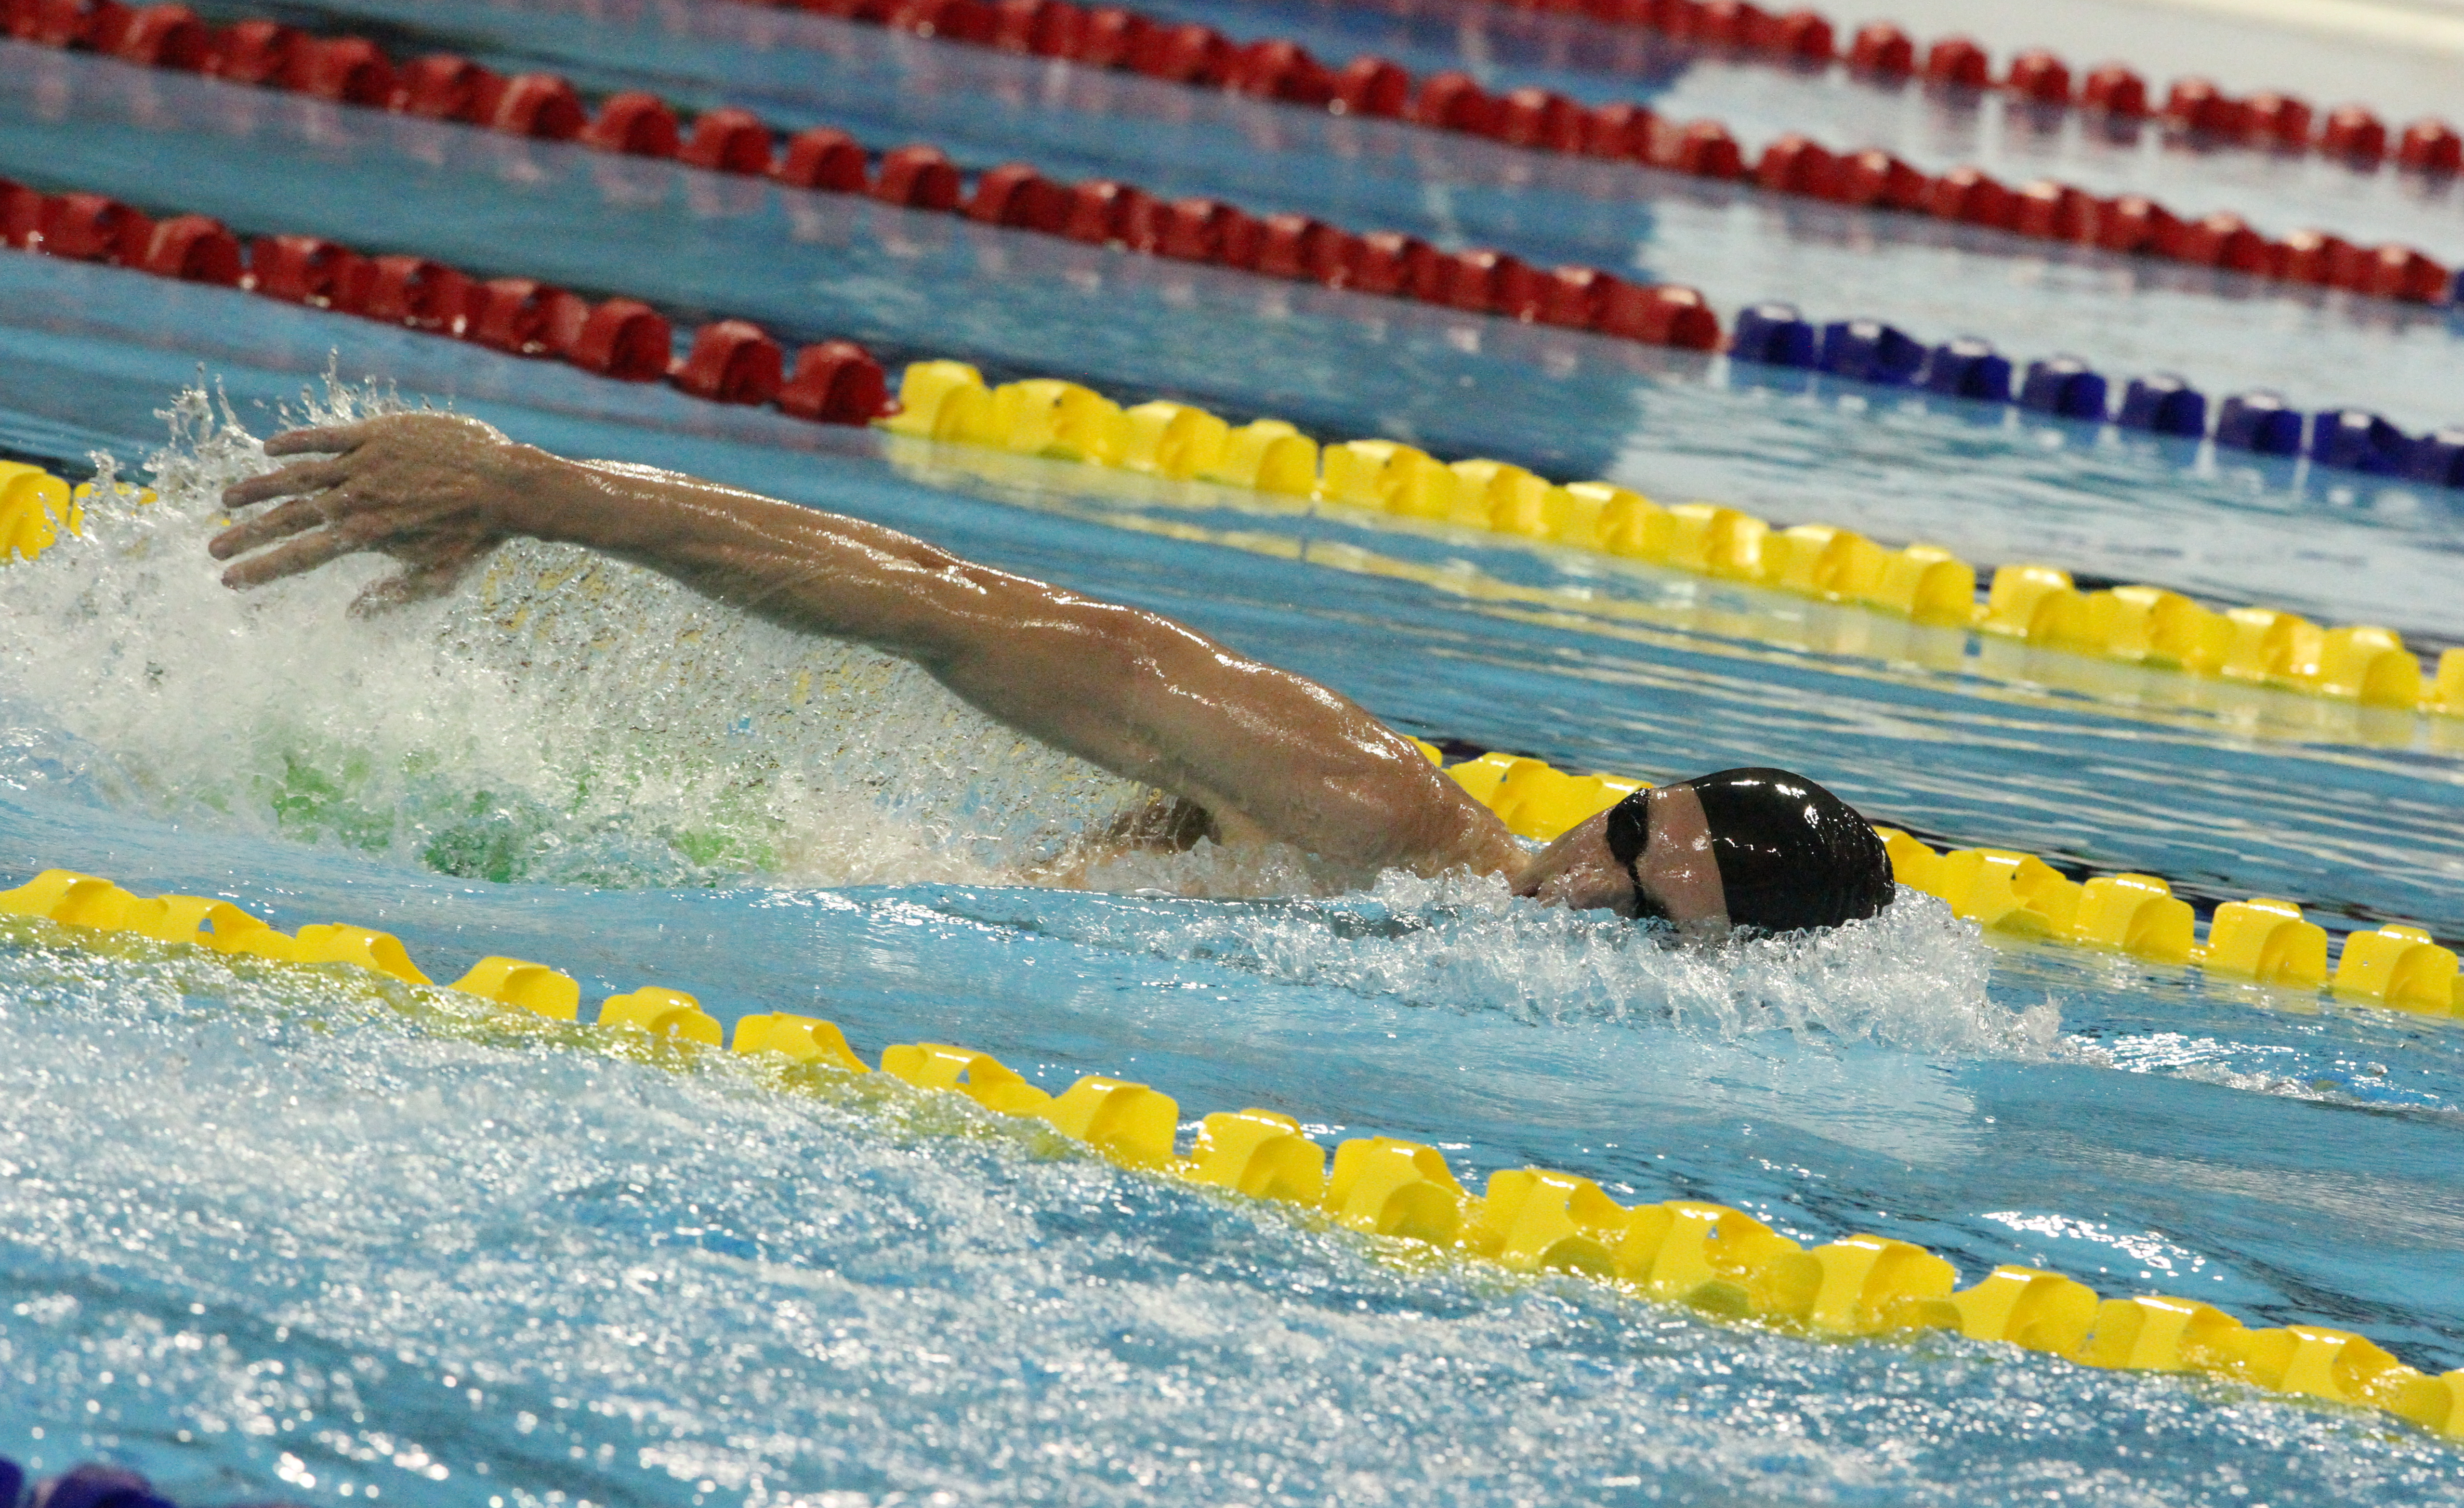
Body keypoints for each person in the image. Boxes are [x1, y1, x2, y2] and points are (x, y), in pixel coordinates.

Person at [210, 411, 1894, 936]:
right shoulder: (1371, 812)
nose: (1578, 887)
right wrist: (545, 494)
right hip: (718, 898)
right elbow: (950, 609)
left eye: (1643, 913)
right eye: (1622, 834)